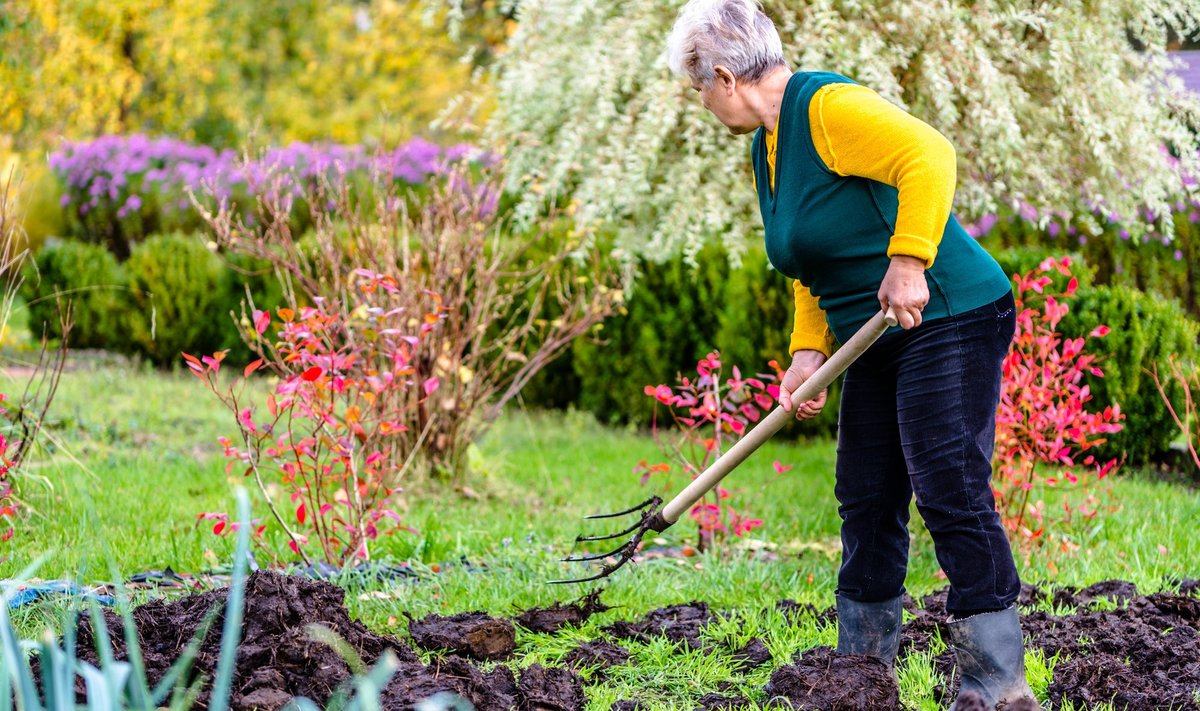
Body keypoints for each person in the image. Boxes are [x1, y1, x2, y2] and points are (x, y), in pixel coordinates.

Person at [666, 1, 1040, 709]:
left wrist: (908, 257)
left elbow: (929, 155)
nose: (704, 104)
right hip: (876, 329)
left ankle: (999, 687)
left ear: (722, 76)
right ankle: (860, 677)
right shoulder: (766, 148)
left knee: (949, 486)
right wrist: (807, 354)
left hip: (948, 311)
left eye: (700, 90)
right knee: (866, 496)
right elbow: (811, 262)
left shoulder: (828, 108)